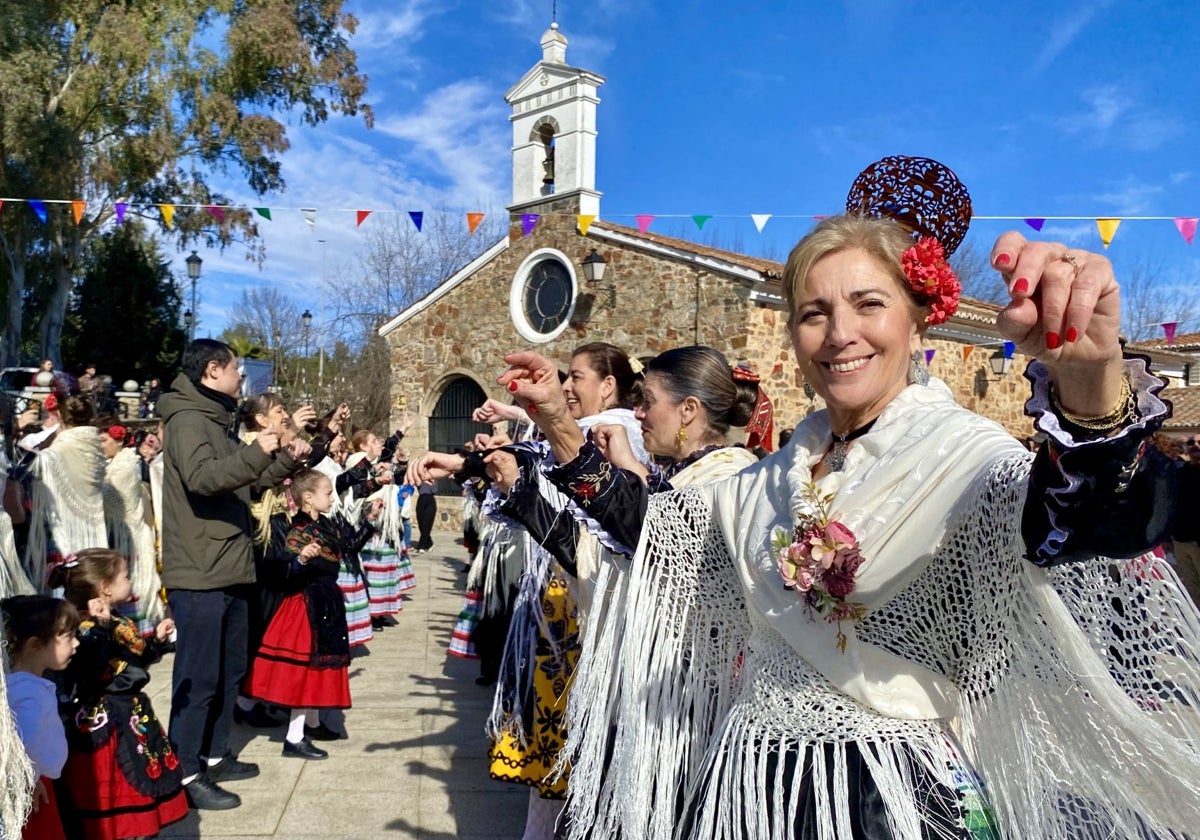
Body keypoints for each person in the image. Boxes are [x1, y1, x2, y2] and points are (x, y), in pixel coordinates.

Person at [500, 156, 1200, 839]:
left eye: (869, 304)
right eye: (813, 313)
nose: (840, 334)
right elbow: (656, 539)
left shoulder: (966, 457)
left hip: (885, 799)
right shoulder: (771, 476)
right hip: (744, 785)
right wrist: (558, 425)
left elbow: (1088, 520)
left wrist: (1090, 388)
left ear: (920, 318)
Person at [157, 339, 303, 811]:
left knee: (228, 670)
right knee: (198, 679)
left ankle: (217, 754)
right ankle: (186, 770)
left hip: (229, 566)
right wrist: (255, 451)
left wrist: (285, 458)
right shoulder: (187, 419)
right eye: (236, 369)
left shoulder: (215, 417)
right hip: (200, 571)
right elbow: (203, 477)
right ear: (213, 370)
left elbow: (247, 480)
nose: (242, 377)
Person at [50, 549, 186, 840]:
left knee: (138, 785)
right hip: (109, 723)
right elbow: (89, 668)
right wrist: (101, 628)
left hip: (132, 714)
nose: (131, 581)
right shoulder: (85, 628)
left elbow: (130, 663)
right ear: (106, 588)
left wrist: (157, 642)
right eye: (126, 576)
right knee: (118, 792)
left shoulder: (118, 621)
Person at [245, 469, 382, 758]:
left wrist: (369, 522)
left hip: (325, 601)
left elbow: (347, 549)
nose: (332, 498)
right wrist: (302, 559)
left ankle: (313, 721)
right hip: (305, 605)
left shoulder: (328, 523)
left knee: (319, 666)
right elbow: (285, 567)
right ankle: (294, 738)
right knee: (306, 670)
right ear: (308, 497)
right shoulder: (299, 528)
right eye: (328, 493)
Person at [2, 594, 79, 840]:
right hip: (34, 788)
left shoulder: (24, 685)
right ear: (35, 644)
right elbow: (22, 740)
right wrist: (31, 778)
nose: (76, 643)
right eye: (68, 637)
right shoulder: (28, 692)